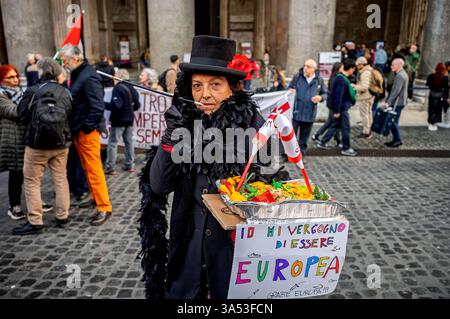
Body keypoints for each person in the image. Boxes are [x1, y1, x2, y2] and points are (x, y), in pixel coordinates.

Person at [139, 35, 289, 300]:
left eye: (215, 85)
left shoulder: (258, 130)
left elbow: (276, 191)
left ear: (233, 88)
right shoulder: (184, 125)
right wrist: (171, 135)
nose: (204, 94)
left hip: (233, 260)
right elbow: (159, 184)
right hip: (188, 258)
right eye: (197, 85)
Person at [13, 58, 73, 236]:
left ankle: (36, 221)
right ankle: (62, 216)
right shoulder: (65, 92)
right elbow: (71, 114)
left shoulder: (32, 91)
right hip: (61, 143)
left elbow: (20, 114)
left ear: (41, 72)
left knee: (32, 182)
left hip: (36, 145)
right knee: (61, 178)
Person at [60, 44, 113, 226]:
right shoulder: (78, 73)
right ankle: (95, 197)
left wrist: (87, 127)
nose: (63, 63)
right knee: (87, 168)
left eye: (65, 59)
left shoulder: (88, 75)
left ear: (75, 57)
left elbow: (98, 105)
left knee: (94, 168)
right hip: (79, 130)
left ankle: (104, 207)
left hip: (86, 131)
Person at [0, 65, 27, 220]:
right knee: (16, 173)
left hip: (25, 136)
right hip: (12, 139)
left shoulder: (22, 92)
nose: (15, 79)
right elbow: (15, 112)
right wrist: (31, 103)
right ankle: (14, 206)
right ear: (2, 80)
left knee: (31, 173)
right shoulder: (1, 95)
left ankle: (34, 200)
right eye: (10, 77)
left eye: (16, 76)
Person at [316, 59, 358, 157]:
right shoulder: (341, 79)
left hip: (341, 108)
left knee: (335, 126)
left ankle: (323, 142)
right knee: (345, 128)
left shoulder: (341, 78)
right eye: (353, 69)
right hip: (342, 109)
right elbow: (338, 96)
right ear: (351, 69)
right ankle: (346, 148)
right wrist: (337, 111)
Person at [288, 59, 327, 156]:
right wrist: (290, 91)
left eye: (308, 67)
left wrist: (320, 97)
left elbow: (326, 94)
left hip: (309, 112)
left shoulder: (319, 80)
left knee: (304, 137)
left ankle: (301, 154)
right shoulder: (297, 77)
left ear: (314, 69)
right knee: (290, 135)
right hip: (296, 112)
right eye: (305, 66)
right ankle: (288, 154)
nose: (305, 68)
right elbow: (289, 88)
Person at [105, 69, 141, 175]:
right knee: (129, 142)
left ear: (118, 76)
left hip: (118, 120)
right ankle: (130, 165)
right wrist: (129, 110)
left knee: (112, 143)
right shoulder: (131, 87)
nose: (113, 78)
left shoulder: (118, 88)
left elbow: (116, 105)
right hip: (129, 119)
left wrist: (104, 104)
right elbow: (137, 105)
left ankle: (110, 167)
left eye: (115, 76)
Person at [313, 62, 343, 146]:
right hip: (333, 104)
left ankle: (317, 135)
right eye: (342, 67)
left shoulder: (333, 77)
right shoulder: (336, 78)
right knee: (335, 123)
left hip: (331, 103)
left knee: (331, 122)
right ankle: (329, 140)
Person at [381, 58, 409, 148]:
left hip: (398, 102)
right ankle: (396, 140)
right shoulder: (402, 74)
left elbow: (396, 91)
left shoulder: (400, 76)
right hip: (400, 101)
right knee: (393, 121)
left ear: (399, 65)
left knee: (393, 121)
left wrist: (388, 102)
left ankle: (397, 140)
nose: (391, 66)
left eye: (393, 65)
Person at [353, 57, 375, 139]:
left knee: (365, 115)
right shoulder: (369, 71)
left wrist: (355, 87)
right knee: (368, 114)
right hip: (369, 96)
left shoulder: (365, 73)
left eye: (358, 65)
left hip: (365, 97)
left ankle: (366, 132)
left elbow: (364, 87)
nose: (357, 67)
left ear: (362, 64)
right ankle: (368, 131)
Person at [426, 63, 449, 130]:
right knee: (437, 110)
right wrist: (446, 97)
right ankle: (435, 122)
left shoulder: (431, 76)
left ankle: (430, 123)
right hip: (440, 95)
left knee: (431, 109)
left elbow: (428, 85)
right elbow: (446, 88)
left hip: (432, 94)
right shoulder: (445, 78)